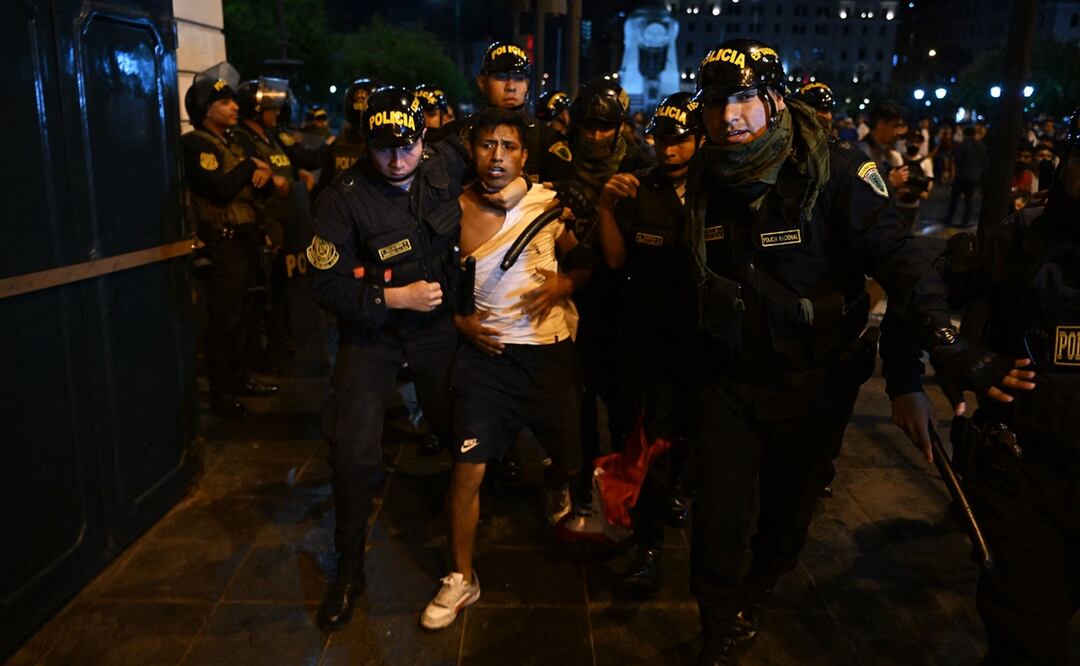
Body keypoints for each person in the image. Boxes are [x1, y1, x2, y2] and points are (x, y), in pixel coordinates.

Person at [681, 39, 1023, 665]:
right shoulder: (708, 174)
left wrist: (943, 346)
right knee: (716, 520)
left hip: (815, 385)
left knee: (788, 514)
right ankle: (717, 627)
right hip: (728, 380)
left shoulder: (837, 171)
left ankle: (759, 589)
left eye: (742, 100)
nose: (726, 116)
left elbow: (901, 258)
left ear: (774, 100)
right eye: (713, 103)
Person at [308, 86, 526, 631]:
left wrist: (518, 183)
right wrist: (389, 298)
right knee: (353, 449)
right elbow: (324, 286)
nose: (396, 160)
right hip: (373, 333)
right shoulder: (343, 196)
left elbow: (500, 135)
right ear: (366, 144)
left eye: (406, 146)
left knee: (462, 426)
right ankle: (349, 568)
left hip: (436, 329)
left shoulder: (445, 159)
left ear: (424, 136)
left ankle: (473, 521)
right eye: (383, 149)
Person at [420, 107, 586, 630]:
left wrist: (563, 285)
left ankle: (556, 481)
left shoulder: (549, 205)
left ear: (524, 155)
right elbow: (434, 282)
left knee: (572, 460)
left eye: (508, 146)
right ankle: (461, 577)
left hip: (548, 356)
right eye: (488, 145)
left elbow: (584, 266)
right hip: (487, 362)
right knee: (466, 472)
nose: (497, 156)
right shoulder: (454, 211)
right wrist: (460, 324)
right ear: (473, 151)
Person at [935, 107, 1079, 666]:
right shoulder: (1018, 241)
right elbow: (919, 304)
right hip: (1027, 478)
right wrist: (961, 359)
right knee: (1028, 643)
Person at [595, 92, 700, 595]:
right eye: (663, 138)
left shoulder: (719, 190)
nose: (670, 148)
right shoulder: (640, 189)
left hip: (706, 344)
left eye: (680, 138)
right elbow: (616, 262)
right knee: (653, 443)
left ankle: (681, 494)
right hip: (651, 341)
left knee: (692, 441)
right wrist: (607, 206)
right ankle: (650, 545)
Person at [541, 77, 652, 527]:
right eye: (589, 125)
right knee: (574, 397)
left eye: (606, 127)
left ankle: (628, 484)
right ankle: (579, 480)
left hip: (621, 291)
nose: (596, 134)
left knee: (624, 397)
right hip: (568, 286)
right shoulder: (555, 157)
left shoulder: (640, 160)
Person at [181, 63, 278, 417]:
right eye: (224, 102)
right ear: (205, 109)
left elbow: (257, 192)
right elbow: (220, 190)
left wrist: (260, 175)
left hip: (245, 239)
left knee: (243, 316)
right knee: (224, 321)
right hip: (222, 243)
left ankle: (239, 378)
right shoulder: (196, 144)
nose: (234, 107)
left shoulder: (231, 143)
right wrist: (251, 167)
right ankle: (221, 395)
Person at [429, 41, 543, 177]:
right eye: (501, 77)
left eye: (519, 78)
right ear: (482, 82)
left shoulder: (544, 136)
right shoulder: (456, 133)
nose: (511, 87)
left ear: (527, 84)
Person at [858, 100, 909, 194]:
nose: (898, 132)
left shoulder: (879, 150)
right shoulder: (864, 152)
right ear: (880, 125)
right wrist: (891, 182)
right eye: (895, 126)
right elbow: (863, 192)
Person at [943, 126, 987, 227]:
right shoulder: (981, 146)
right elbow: (984, 160)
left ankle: (949, 219)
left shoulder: (962, 145)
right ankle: (965, 221)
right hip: (974, 176)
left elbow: (957, 159)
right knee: (969, 200)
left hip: (961, 175)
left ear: (965, 135)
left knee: (954, 198)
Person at [894, 130, 935, 230]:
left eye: (917, 142)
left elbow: (929, 180)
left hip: (913, 204)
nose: (913, 144)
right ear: (906, 142)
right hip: (897, 202)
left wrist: (925, 192)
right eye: (911, 141)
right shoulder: (898, 158)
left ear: (921, 144)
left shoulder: (925, 162)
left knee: (908, 230)